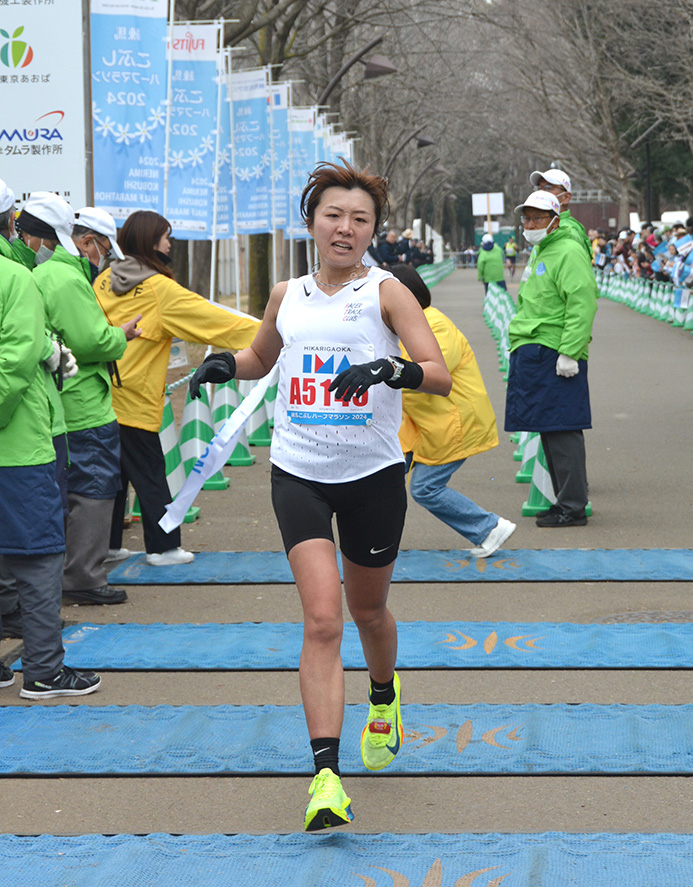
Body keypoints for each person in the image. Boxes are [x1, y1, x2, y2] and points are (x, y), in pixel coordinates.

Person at [188, 160, 451, 831]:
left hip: (371, 477)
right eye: (333, 215)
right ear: (311, 222)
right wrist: (225, 364)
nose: (345, 227)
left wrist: (387, 368)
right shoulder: (287, 293)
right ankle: (326, 777)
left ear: (371, 232)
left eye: (359, 219)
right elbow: (261, 357)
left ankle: (384, 694)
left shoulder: (388, 293)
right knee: (323, 617)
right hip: (297, 472)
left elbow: (437, 373)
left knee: (368, 610)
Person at [94, 210, 260, 566]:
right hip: (136, 396)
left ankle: (107, 545)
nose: (170, 243)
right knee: (152, 475)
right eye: (165, 237)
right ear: (151, 242)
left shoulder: (103, 280)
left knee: (114, 475)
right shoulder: (158, 289)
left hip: (100, 394)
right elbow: (213, 321)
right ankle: (163, 547)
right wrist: (271, 333)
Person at [18, 192, 141, 606]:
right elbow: (89, 341)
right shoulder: (67, 278)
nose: (105, 256)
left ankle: (72, 574)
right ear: (85, 240)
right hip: (84, 405)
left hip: (62, 403)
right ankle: (84, 577)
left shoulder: (48, 275)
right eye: (104, 247)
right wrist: (120, 335)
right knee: (94, 490)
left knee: (69, 491)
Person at [0, 254, 101, 698]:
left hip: (25, 442)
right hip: (18, 448)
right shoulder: (14, 277)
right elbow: (15, 359)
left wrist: (47, 347)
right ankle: (43, 669)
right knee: (38, 557)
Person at [389, 264, 516, 556]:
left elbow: (429, 372)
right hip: (424, 424)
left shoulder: (434, 324)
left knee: (425, 489)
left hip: (453, 421)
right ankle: (377, 542)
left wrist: (384, 372)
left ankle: (489, 527)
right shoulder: (406, 324)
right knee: (385, 480)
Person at [505, 191, 597, 528]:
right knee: (548, 427)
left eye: (537, 218)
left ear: (555, 220)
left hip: (555, 351)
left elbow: (582, 303)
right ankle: (565, 500)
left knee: (562, 428)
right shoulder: (541, 249)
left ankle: (572, 505)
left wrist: (570, 352)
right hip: (535, 348)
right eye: (526, 218)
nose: (530, 224)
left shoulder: (568, 250)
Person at [529, 169, 593, 262]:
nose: (541, 193)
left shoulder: (569, 233)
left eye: (548, 188)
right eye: (539, 188)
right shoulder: (545, 227)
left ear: (566, 197)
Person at [72, 206, 125, 282]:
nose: (103, 259)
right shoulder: (75, 280)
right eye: (105, 253)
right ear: (87, 243)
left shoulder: (53, 266)